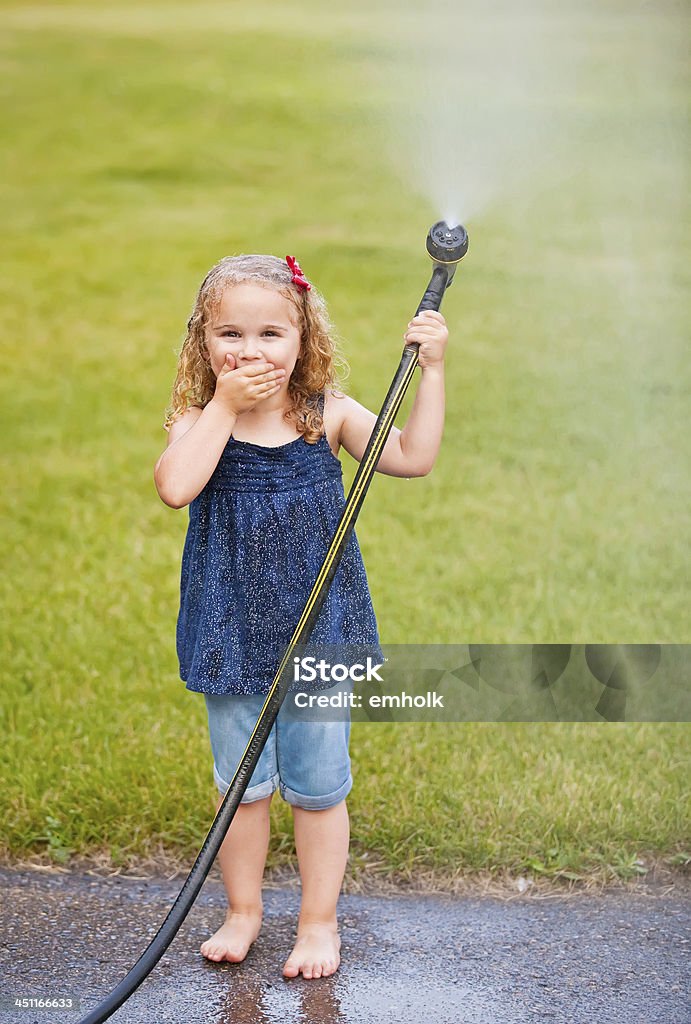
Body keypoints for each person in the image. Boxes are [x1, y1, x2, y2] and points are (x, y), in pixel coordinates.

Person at [154, 253, 448, 980]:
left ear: (302, 338)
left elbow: (412, 458)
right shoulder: (198, 420)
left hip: (322, 628)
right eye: (229, 333)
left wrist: (432, 371)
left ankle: (318, 924)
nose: (249, 351)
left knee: (318, 790)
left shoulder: (330, 414)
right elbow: (175, 487)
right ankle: (243, 911)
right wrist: (221, 407)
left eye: (269, 334)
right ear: (202, 343)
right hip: (230, 631)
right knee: (242, 790)